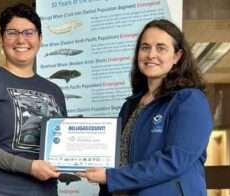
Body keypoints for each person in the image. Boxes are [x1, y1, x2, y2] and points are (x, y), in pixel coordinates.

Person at [78, 19, 213, 196]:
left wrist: (111, 177)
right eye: (145, 47)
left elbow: (175, 161)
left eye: (161, 48)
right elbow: (117, 158)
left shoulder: (189, 100)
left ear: (177, 57)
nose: (151, 55)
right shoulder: (130, 105)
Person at [0, 3, 67, 196]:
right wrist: (30, 167)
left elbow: (61, 146)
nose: (21, 39)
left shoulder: (54, 91)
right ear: (2, 39)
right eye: (12, 32)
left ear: (40, 39)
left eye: (29, 32)